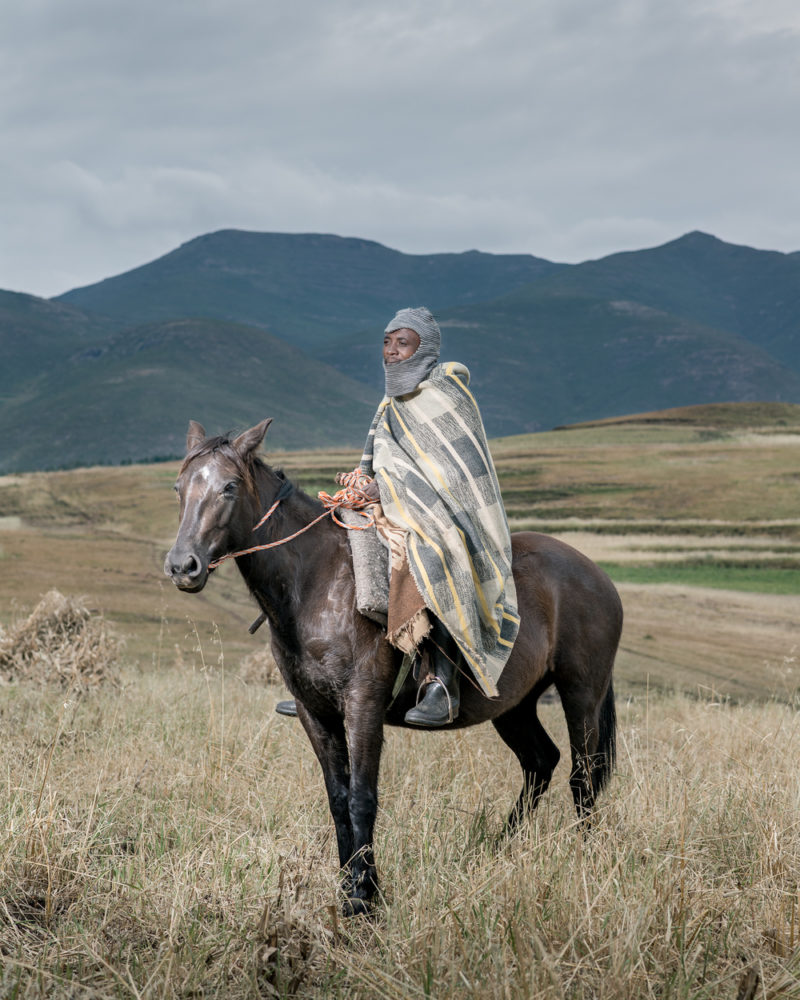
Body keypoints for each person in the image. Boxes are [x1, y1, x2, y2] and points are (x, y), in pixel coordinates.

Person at [276, 306, 519, 727]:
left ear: (424, 349)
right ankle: (327, 681)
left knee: (431, 559)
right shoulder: (390, 403)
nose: (391, 352)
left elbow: (450, 473)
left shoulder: (446, 396)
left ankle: (442, 683)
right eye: (387, 343)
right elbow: (380, 459)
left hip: (443, 516)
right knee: (338, 545)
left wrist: (385, 489)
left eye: (402, 343)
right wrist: (362, 486)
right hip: (393, 507)